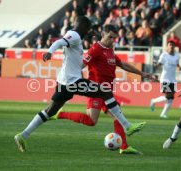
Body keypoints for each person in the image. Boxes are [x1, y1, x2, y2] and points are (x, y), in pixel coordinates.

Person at [14, 16, 146, 153]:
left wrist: (90, 33)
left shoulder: (75, 36)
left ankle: (23, 135)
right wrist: (49, 52)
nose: (88, 32)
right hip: (73, 81)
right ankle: (128, 126)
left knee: (50, 110)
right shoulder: (75, 35)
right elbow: (59, 42)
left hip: (63, 82)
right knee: (105, 92)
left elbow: (71, 40)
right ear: (83, 27)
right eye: (87, 29)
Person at [52, 24, 155, 155]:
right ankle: (61, 114)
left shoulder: (110, 50)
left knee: (118, 116)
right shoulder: (95, 49)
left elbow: (122, 64)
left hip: (107, 93)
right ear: (103, 35)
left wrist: (142, 74)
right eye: (110, 37)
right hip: (96, 90)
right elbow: (80, 65)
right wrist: (77, 81)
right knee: (91, 121)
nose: (113, 40)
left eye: (114, 38)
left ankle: (124, 146)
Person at [150, 41, 181, 118]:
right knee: (168, 96)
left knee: (171, 98)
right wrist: (155, 66)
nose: (171, 46)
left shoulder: (177, 56)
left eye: (173, 45)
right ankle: (153, 101)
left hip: (173, 79)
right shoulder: (164, 55)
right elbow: (159, 64)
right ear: (167, 47)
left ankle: (163, 113)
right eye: (170, 45)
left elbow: (177, 65)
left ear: (174, 47)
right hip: (165, 79)